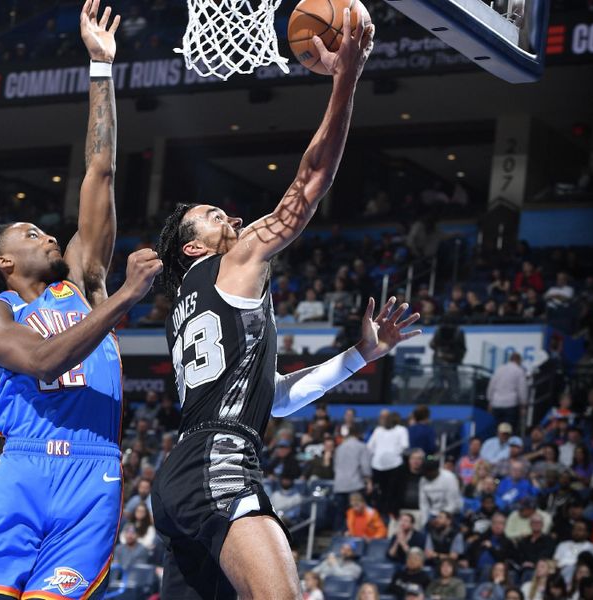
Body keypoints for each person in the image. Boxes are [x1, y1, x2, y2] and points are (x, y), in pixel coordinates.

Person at [151, 17, 385, 600]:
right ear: (193, 247)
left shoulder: (193, 302)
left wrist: (361, 354)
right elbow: (307, 185)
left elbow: (277, 398)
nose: (227, 215)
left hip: (185, 471)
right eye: (210, 215)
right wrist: (346, 80)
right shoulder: (227, 264)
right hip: (218, 462)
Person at [0, 5, 162, 598]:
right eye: (28, 233)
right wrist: (125, 296)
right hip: (21, 470)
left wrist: (100, 70)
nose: (46, 234)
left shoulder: (81, 279)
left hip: (93, 470)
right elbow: (44, 361)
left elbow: (100, 170)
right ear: (3, 262)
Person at [368, 409, 410, 517]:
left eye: (386, 417)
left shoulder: (401, 430)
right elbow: (370, 447)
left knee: (393, 495)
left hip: (394, 467)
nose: (384, 420)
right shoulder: (378, 430)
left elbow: (404, 446)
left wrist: (392, 454)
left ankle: (392, 516)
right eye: (382, 417)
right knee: (378, 495)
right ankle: (379, 516)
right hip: (378, 467)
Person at [333, 423, 372, 531]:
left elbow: (335, 467)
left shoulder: (339, 448)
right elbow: (365, 467)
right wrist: (369, 481)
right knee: (355, 515)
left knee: (340, 515)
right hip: (355, 486)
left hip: (339, 486)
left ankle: (338, 539)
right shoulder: (361, 446)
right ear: (358, 434)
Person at [487, 353, 528, 430]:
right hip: (510, 404)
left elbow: (491, 386)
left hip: (496, 403)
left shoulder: (499, 369)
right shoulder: (519, 371)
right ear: (518, 360)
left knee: (498, 428)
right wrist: (523, 405)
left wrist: (490, 401)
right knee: (508, 429)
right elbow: (522, 389)